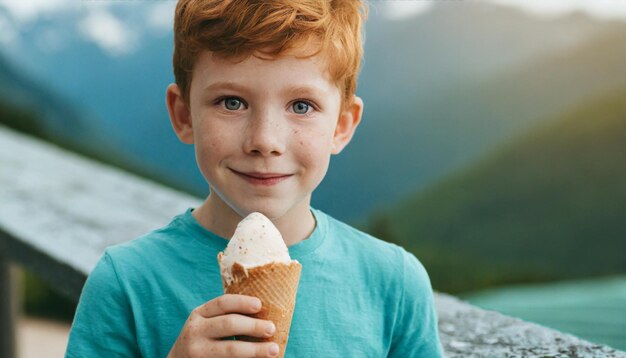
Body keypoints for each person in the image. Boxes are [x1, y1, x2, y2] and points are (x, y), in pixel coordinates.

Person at [66, 0, 443, 357]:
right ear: (183, 115)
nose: (264, 140)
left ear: (342, 125)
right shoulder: (126, 283)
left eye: (301, 106)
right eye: (232, 102)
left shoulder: (394, 284)